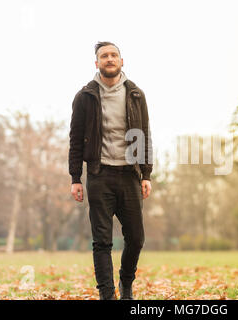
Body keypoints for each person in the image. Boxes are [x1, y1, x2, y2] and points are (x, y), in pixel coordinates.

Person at [68, 41, 153, 300]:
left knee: (136, 238)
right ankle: (107, 294)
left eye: (114, 55)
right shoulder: (85, 96)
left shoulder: (136, 94)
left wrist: (146, 173)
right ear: (97, 63)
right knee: (102, 241)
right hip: (99, 174)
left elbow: (144, 134)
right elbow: (75, 138)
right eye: (104, 56)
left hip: (129, 174)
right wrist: (75, 178)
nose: (109, 58)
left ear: (121, 61)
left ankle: (126, 283)